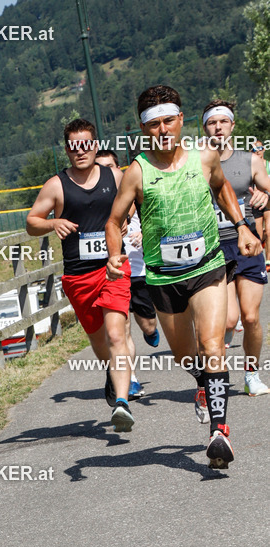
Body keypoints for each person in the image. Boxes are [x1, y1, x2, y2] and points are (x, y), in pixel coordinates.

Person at [106, 85, 263, 469]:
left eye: (168, 121)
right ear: (144, 129)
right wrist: (114, 254)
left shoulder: (204, 156)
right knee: (184, 355)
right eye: (153, 124)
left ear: (180, 119)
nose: (163, 130)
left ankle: (219, 432)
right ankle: (203, 382)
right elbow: (113, 220)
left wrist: (242, 226)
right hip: (164, 278)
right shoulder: (136, 172)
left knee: (213, 346)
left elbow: (222, 188)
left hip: (208, 267)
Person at [26, 120, 135, 432]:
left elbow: (133, 203)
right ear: (67, 150)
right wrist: (52, 223)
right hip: (78, 276)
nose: (81, 151)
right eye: (74, 146)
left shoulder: (114, 176)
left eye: (86, 144)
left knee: (117, 334)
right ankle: (112, 373)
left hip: (113, 266)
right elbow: (32, 222)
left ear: (95, 145)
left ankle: (122, 402)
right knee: (99, 339)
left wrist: (126, 219)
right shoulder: (56, 185)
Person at [203, 101, 270, 396]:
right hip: (215, 247)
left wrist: (265, 196)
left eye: (223, 122)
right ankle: (214, 373)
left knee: (251, 317)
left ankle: (252, 375)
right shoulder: (198, 162)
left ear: (232, 126)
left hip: (248, 245)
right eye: (212, 122)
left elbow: (268, 190)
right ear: (204, 128)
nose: (218, 127)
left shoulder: (250, 160)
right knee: (230, 319)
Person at [96, 150, 148, 397]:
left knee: (147, 324)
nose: (104, 172)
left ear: (119, 170)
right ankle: (131, 379)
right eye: (100, 167)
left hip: (141, 269)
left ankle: (150, 330)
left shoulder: (136, 192)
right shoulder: (95, 201)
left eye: (109, 167)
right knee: (122, 329)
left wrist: (143, 233)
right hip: (115, 272)